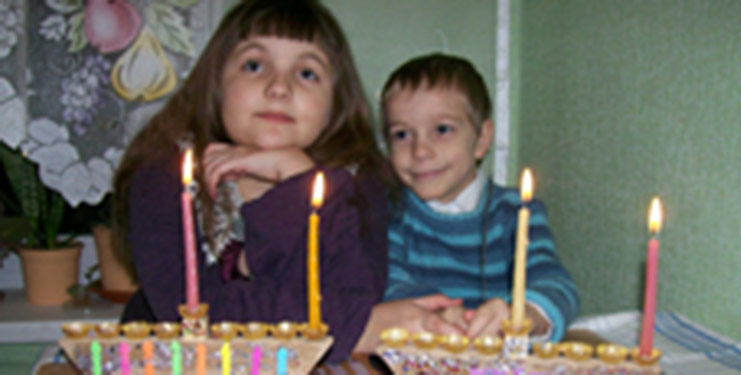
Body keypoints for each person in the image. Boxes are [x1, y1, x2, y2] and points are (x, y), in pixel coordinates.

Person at [112, 0, 395, 363]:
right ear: (215, 85)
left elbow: (354, 296)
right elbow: (200, 323)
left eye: (307, 73)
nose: (279, 87)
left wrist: (298, 177)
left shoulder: (359, 184)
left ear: (335, 105)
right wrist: (350, 326)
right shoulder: (166, 177)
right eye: (254, 65)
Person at [379, 53, 580, 342]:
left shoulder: (517, 212)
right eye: (401, 135)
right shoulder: (390, 213)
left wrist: (521, 316)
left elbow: (556, 285)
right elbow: (389, 285)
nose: (420, 151)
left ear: (482, 139)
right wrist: (433, 316)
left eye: (442, 130)